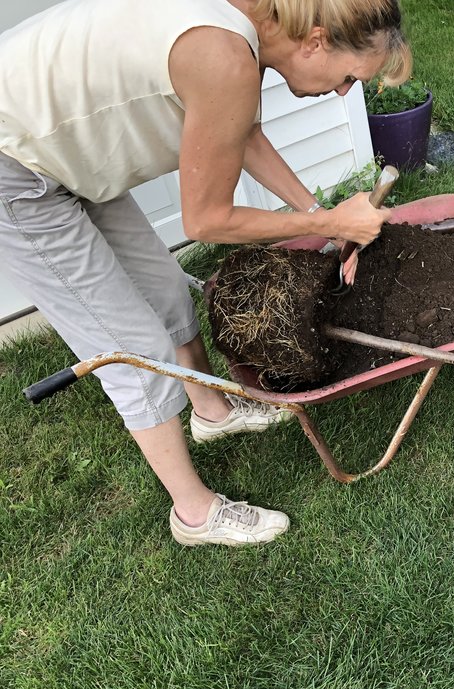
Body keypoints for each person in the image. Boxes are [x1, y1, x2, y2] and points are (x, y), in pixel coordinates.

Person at [0, 0, 411, 546]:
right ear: (315, 42)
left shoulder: (248, 25)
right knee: (130, 346)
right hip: (15, 168)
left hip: (61, 153)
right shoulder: (222, 52)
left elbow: (242, 135)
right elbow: (206, 220)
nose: (342, 93)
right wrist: (335, 219)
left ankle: (211, 411)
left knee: (167, 290)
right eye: (349, 78)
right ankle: (194, 514)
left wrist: (319, 218)